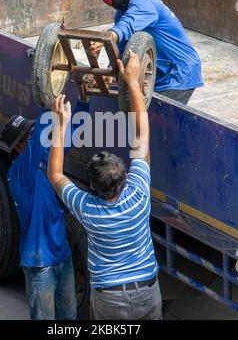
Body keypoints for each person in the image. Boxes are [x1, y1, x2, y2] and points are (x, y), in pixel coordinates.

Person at [47, 50, 162, 320]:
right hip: (147, 290)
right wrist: (133, 82)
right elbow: (142, 135)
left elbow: (54, 174)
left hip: (109, 298)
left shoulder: (88, 210)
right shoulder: (138, 195)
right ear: (124, 178)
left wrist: (61, 124)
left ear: (94, 188)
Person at [1, 94, 89, 320]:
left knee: (68, 318)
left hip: (62, 256)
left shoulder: (47, 158)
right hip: (39, 264)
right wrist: (48, 96)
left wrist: (83, 99)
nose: (33, 137)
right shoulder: (18, 173)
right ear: (19, 147)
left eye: (31, 132)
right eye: (27, 136)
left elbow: (74, 132)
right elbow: (41, 133)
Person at [90, 0, 203, 105]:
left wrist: (109, 36)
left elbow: (128, 25)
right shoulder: (121, 12)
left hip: (179, 72)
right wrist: (110, 73)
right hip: (158, 75)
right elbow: (122, 49)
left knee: (151, 118)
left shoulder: (143, 2)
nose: (105, 1)